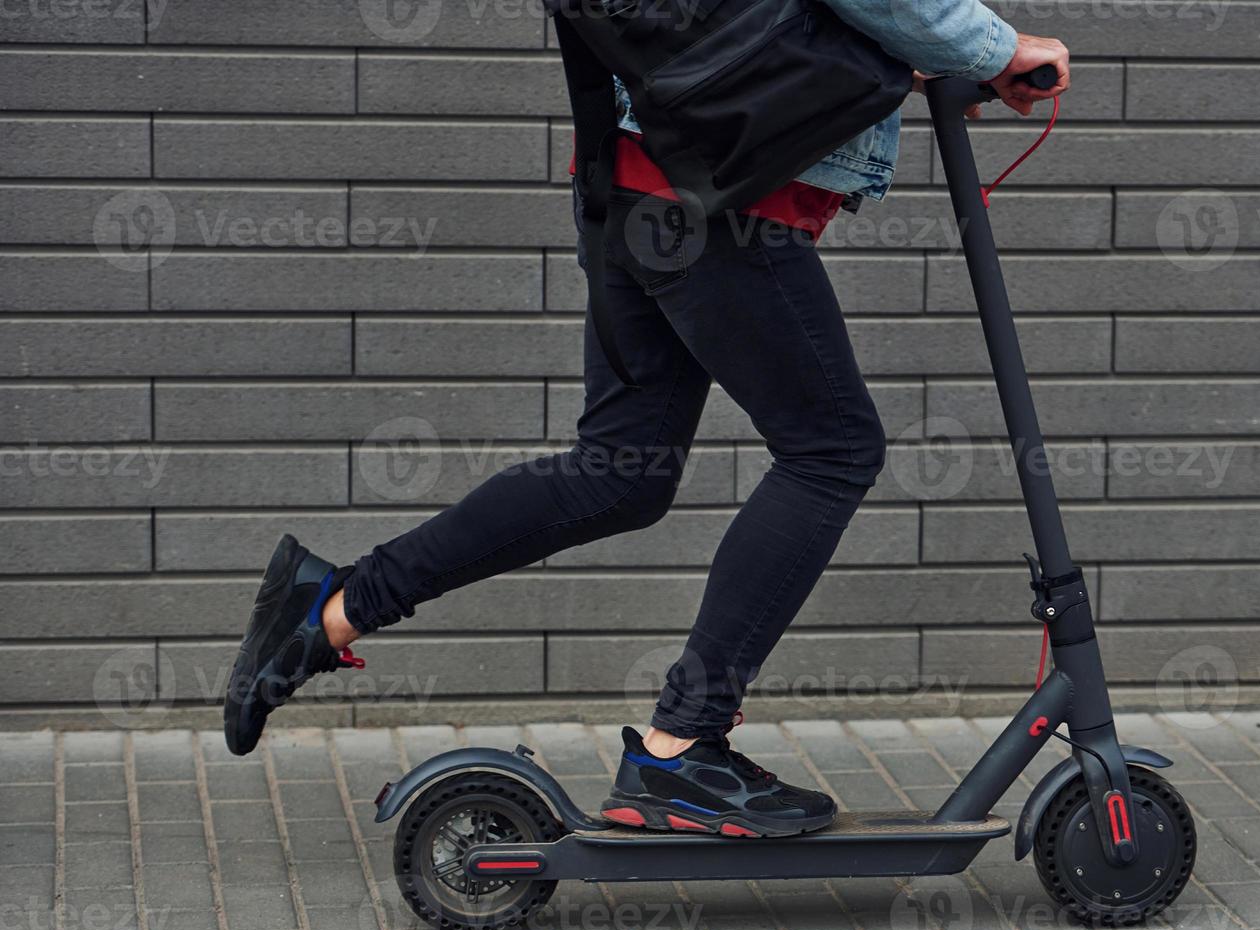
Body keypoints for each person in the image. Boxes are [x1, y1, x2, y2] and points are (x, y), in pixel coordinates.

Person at [224, 0, 1069, 839]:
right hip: (723, 196)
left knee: (619, 470)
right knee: (834, 450)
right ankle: (680, 746)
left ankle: (328, 608)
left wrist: (909, 57)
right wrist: (996, 46)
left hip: (639, 180)